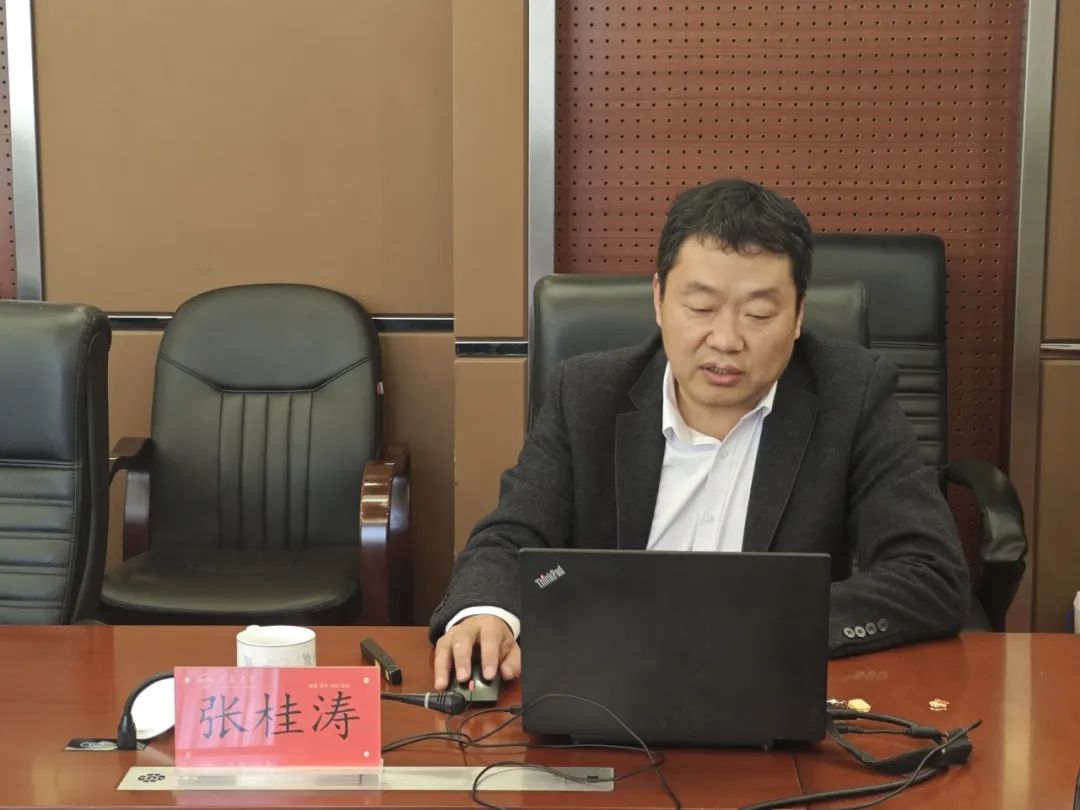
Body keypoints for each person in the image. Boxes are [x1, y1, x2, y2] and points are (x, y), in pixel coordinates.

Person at [430, 178, 969, 690]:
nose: (726, 339)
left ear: (798, 315)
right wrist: (487, 612)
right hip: (605, 690)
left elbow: (930, 574)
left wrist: (758, 628)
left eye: (759, 314)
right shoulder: (588, 395)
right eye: (701, 308)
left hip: (770, 688)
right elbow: (512, 537)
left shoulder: (851, 395)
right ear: (659, 299)